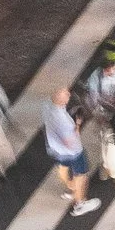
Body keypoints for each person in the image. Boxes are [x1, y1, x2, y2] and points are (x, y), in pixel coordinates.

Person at [44, 88, 99, 217]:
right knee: (81, 175)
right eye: (66, 95)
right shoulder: (63, 121)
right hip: (74, 152)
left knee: (63, 168)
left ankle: (70, 188)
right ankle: (80, 204)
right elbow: (70, 141)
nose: (69, 95)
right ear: (63, 101)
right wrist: (78, 125)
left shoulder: (47, 107)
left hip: (57, 150)